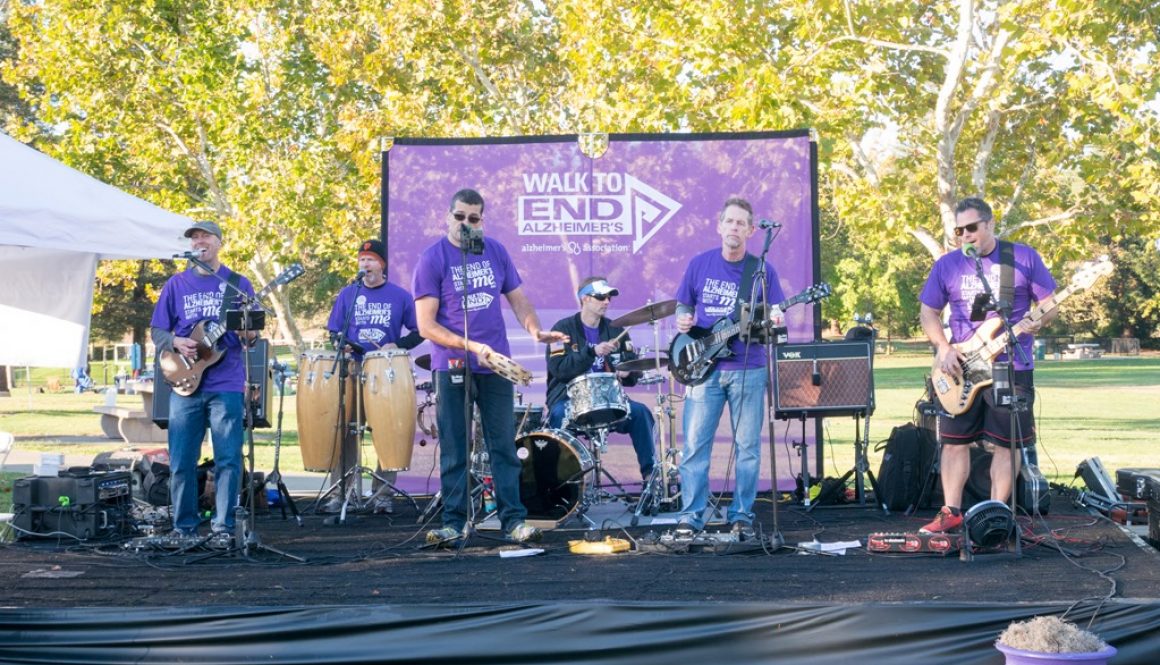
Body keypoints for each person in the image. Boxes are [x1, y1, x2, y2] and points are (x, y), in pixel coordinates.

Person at [412, 188, 568, 545]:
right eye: (460, 217)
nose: (466, 224)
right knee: (455, 446)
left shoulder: (495, 251)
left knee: (503, 446)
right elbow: (426, 325)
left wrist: (535, 330)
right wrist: (471, 346)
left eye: (473, 218)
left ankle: (513, 521)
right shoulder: (432, 259)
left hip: (496, 365)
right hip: (452, 364)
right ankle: (455, 523)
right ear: (447, 216)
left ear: (482, 220)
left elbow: (519, 299)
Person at [918, 197, 1056, 533]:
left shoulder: (1021, 258)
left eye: (971, 228)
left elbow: (1049, 305)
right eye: (958, 230)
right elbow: (928, 313)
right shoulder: (946, 265)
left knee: (1007, 444)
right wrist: (943, 347)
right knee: (954, 441)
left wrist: (1040, 321)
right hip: (961, 366)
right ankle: (950, 512)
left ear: (989, 224)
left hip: (1011, 367)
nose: (965, 235)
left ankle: (997, 515)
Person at [673, 197, 784, 540]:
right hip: (704, 366)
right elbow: (683, 302)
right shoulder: (699, 264)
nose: (734, 228)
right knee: (694, 446)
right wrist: (682, 317)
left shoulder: (761, 271)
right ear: (719, 225)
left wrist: (779, 316)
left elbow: (777, 309)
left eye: (741, 223)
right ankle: (691, 515)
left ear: (752, 231)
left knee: (748, 447)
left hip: (747, 367)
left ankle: (741, 515)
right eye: (729, 222)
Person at [150, 220, 256, 547]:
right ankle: (184, 528)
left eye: (205, 236)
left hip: (226, 383)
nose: (198, 241)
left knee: (228, 460)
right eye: (194, 237)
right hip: (185, 384)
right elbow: (157, 331)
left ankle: (223, 528)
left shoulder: (238, 285)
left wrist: (246, 332)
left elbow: (252, 337)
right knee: (181, 460)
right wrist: (177, 342)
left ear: (218, 242)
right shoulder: (176, 284)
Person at [324, 238, 423, 514]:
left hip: (386, 370)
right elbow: (334, 331)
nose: (364, 264)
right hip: (353, 368)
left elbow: (419, 331)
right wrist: (339, 344)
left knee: (387, 432)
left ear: (382, 264)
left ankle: (382, 494)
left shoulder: (400, 296)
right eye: (361, 259)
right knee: (347, 432)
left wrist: (398, 344)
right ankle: (343, 493)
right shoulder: (348, 294)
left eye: (370, 259)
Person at [545, 277, 656, 482]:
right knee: (558, 415)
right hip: (570, 401)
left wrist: (627, 372)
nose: (606, 301)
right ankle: (557, 483)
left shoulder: (616, 329)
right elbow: (559, 369)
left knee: (641, 413)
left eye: (609, 297)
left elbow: (632, 367)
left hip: (610, 400)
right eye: (601, 297)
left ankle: (650, 478)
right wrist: (592, 351)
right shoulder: (561, 329)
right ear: (585, 298)